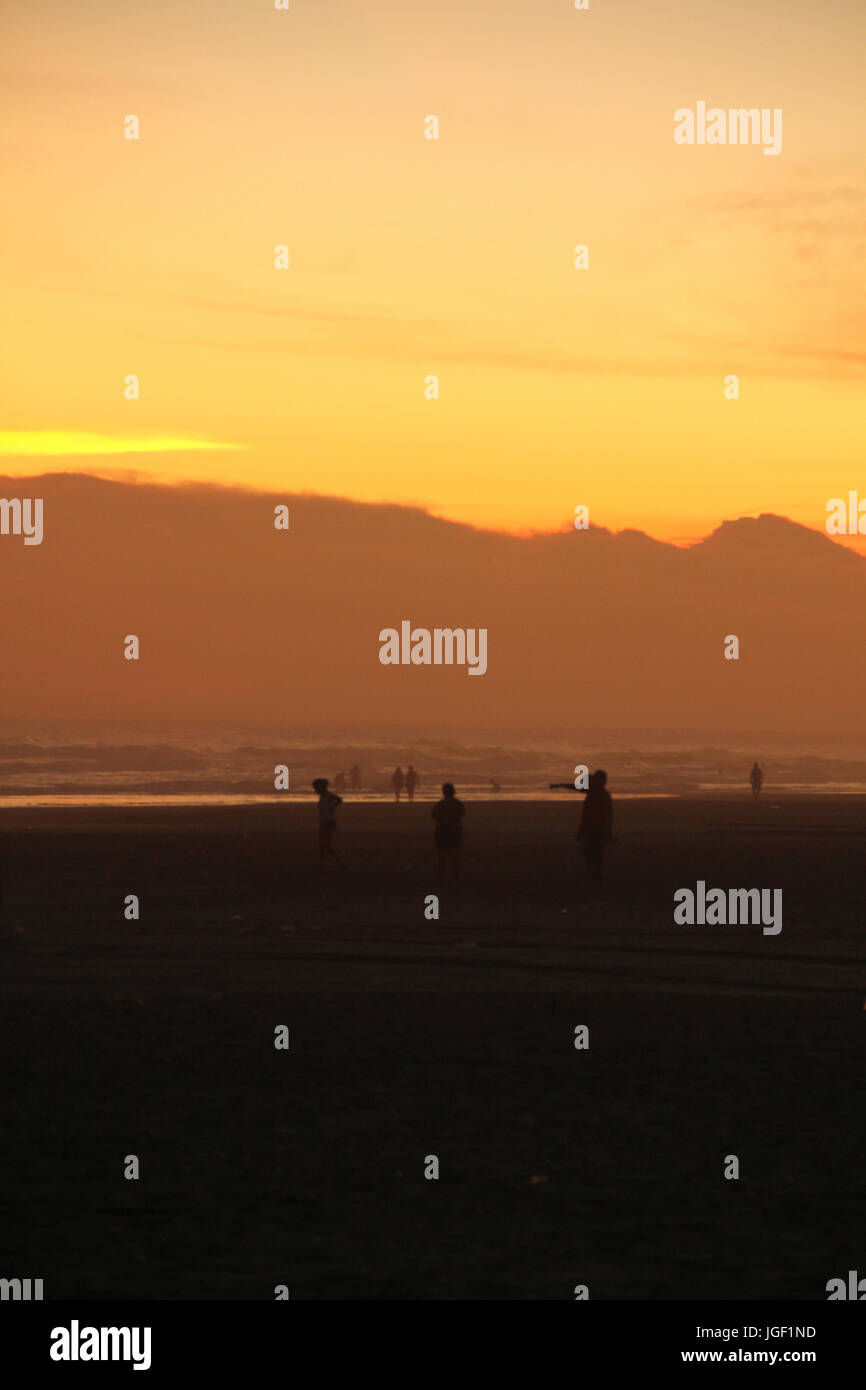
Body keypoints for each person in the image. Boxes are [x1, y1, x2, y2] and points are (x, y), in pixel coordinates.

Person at [577, 769, 613, 884]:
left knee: (593, 856)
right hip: (596, 829)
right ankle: (595, 879)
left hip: (596, 829)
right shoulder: (599, 793)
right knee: (593, 856)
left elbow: (607, 815)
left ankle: (595, 879)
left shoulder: (598, 794)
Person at [432, 782, 464, 884]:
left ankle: (442, 877)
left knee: (442, 855)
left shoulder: (440, 804)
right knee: (455, 855)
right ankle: (456, 877)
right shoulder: (458, 804)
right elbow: (462, 815)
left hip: (442, 831)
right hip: (455, 831)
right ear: (453, 792)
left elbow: (434, 815)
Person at [312, 777, 343, 868]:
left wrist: (333, 807)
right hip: (323, 821)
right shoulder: (322, 796)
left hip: (329, 822)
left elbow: (339, 800)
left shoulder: (328, 795)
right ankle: (322, 864)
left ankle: (340, 862)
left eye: (316, 788)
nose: (315, 790)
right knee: (321, 845)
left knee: (325, 845)